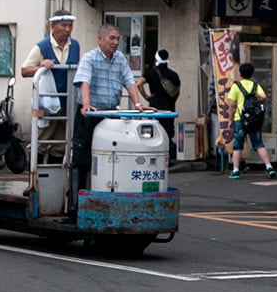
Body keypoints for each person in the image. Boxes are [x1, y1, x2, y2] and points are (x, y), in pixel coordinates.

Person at [71, 24, 145, 186]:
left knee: (111, 155)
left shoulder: (120, 59)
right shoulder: (90, 58)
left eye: (118, 38)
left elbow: (129, 82)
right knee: (83, 156)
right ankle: (78, 199)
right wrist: (86, 105)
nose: (115, 42)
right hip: (91, 113)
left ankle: (106, 189)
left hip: (111, 115)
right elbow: (84, 81)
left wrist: (138, 104)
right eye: (112, 38)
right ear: (100, 39)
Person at [19, 13, 80, 120]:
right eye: (63, 25)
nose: (67, 29)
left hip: (68, 101)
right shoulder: (41, 47)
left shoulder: (75, 46)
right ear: (52, 26)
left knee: (66, 133)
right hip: (46, 100)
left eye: (70, 26)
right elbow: (24, 71)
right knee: (44, 133)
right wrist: (41, 68)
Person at [224, 62, 276, 179]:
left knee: (238, 145)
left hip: (240, 118)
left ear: (240, 73)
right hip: (254, 119)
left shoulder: (236, 86)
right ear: (252, 73)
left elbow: (232, 105)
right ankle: (269, 167)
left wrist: (230, 119)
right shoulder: (255, 85)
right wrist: (256, 102)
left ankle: (236, 170)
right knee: (258, 143)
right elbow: (263, 96)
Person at [141, 48, 182, 157]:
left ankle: (154, 154)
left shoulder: (150, 73)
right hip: (169, 106)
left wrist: (146, 96)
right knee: (167, 132)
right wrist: (173, 100)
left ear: (156, 60)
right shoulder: (174, 74)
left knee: (154, 130)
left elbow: (139, 83)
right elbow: (177, 91)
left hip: (155, 106)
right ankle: (168, 155)